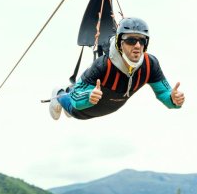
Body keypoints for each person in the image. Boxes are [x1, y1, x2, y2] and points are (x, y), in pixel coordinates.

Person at [49, 17, 185, 120]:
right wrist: (89, 97)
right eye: (131, 40)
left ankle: (67, 92)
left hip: (110, 108)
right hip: (83, 110)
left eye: (142, 40)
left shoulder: (150, 65)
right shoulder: (102, 65)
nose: (137, 45)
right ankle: (60, 94)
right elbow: (76, 97)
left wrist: (173, 99)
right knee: (72, 105)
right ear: (120, 43)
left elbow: (164, 93)